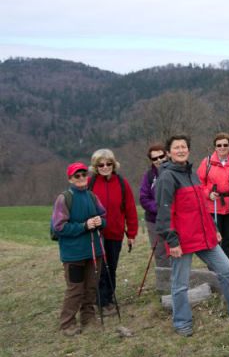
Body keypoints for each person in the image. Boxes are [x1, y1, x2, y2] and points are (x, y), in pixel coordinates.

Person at [155, 135, 229, 336]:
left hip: (204, 235)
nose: (181, 150)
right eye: (176, 148)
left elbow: (202, 207)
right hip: (181, 240)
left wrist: (214, 229)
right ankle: (182, 322)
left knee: (226, 268)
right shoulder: (167, 177)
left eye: (184, 147)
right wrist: (171, 240)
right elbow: (164, 212)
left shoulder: (191, 174)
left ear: (188, 150)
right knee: (180, 283)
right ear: (168, 152)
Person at [51, 162, 106, 336]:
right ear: (70, 179)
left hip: (94, 251)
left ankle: (88, 317)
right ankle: (67, 324)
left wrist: (100, 222)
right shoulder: (64, 198)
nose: (82, 178)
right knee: (75, 289)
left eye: (84, 174)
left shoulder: (92, 196)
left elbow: (104, 217)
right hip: (73, 254)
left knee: (91, 287)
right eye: (77, 175)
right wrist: (84, 226)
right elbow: (59, 227)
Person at [88, 149, 138, 314]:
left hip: (115, 234)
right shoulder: (90, 183)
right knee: (97, 268)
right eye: (100, 164)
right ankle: (97, 300)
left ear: (113, 164)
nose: (105, 167)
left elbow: (130, 209)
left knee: (111, 268)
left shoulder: (122, 184)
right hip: (95, 234)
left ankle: (107, 300)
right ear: (96, 166)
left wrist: (131, 233)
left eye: (108, 163)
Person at [197, 132, 229, 260]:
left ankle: (227, 264)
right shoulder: (207, 162)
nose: (222, 147)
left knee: (228, 238)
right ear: (215, 147)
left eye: (225, 144)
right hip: (212, 206)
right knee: (215, 237)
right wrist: (208, 194)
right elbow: (198, 184)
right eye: (219, 145)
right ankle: (215, 265)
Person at [139, 144, 171, 274]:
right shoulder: (149, 176)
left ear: (167, 155)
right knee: (160, 251)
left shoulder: (175, 171)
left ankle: (180, 279)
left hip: (175, 218)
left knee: (179, 249)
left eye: (161, 156)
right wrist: (159, 208)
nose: (158, 160)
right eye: (155, 158)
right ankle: (165, 283)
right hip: (154, 219)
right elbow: (143, 198)